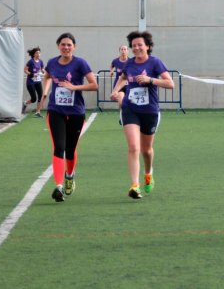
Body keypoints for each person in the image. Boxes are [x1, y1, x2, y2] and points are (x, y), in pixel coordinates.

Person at [110, 31, 174, 199]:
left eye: (140, 45)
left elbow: (170, 83)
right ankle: (134, 185)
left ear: (148, 46)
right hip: (130, 109)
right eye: (134, 45)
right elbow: (123, 77)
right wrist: (115, 91)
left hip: (150, 112)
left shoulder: (155, 62)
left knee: (146, 150)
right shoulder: (129, 64)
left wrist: (150, 80)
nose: (136, 48)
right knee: (133, 147)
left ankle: (148, 173)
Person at [40, 33, 98, 202]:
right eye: (63, 44)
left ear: (74, 47)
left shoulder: (80, 63)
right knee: (59, 146)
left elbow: (94, 85)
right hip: (56, 111)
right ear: (58, 45)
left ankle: (70, 176)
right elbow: (47, 76)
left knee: (70, 150)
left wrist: (74, 87)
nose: (66, 47)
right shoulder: (51, 62)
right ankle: (58, 185)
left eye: (69, 45)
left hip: (76, 113)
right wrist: (45, 91)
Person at [22, 46, 45, 117]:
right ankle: (25, 103)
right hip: (30, 82)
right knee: (34, 99)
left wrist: (43, 71)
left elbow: (42, 69)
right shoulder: (31, 61)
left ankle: (37, 112)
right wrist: (32, 74)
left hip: (38, 81)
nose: (38, 54)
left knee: (41, 96)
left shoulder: (41, 61)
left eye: (39, 53)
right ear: (34, 54)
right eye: (37, 53)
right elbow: (25, 70)